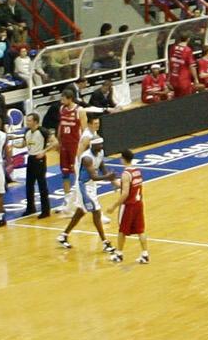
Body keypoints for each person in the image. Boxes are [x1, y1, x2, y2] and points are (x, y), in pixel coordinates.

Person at [58, 118, 118, 258]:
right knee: (96, 212)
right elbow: (94, 176)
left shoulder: (100, 153)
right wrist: (108, 177)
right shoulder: (87, 158)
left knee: (81, 211)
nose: (102, 147)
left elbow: (102, 167)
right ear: (93, 146)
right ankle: (105, 242)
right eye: (100, 145)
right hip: (84, 186)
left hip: (91, 185)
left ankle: (63, 235)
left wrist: (112, 181)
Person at [108, 149, 148, 265]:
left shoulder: (126, 174)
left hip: (129, 206)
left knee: (122, 230)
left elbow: (125, 193)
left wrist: (114, 206)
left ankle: (119, 254)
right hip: (138, 204)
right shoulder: (137, 171)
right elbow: (127, 186)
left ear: (123, 159)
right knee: (141, 230)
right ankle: (145, 254)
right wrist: (113, 180)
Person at [55, 88, 85, 214]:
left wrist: (83, 147)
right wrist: (58, 140)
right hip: (64, 145)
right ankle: (67, 200)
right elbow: (61, 125)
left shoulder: (79, 110)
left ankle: (79, 201)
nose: (61, 101)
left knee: (77, 174)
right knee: (65, 173)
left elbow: (84, 129)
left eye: (63, 98)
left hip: (75, 145)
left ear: (70, 98)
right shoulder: (62, 109)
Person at [23, 122, 51, 218]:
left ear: (35, 122)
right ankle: (30, 208)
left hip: (39, 159)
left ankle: (45, 210)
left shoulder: (43, 131)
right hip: (30, 158)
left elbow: (55, 142)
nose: (27, 123)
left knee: (41, 184)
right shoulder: (27, 131)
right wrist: (13, 144)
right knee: (29, 184)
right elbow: (24, 144)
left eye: (29, 121)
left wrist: (44, 151)